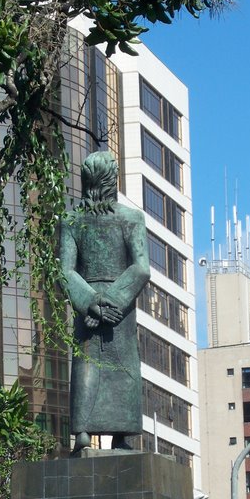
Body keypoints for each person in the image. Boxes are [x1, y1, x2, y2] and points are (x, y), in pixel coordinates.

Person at [59, 151, 150, 453]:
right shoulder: (131, 219)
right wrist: (107, 302)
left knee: (89, 364)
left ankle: (84, 433)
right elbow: (141, 267)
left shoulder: (71, 220)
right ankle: (118, 436)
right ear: (112, 180)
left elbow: (65, 272)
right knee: (120, 364)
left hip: (100, 305)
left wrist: (95, 302)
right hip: (117, 308)